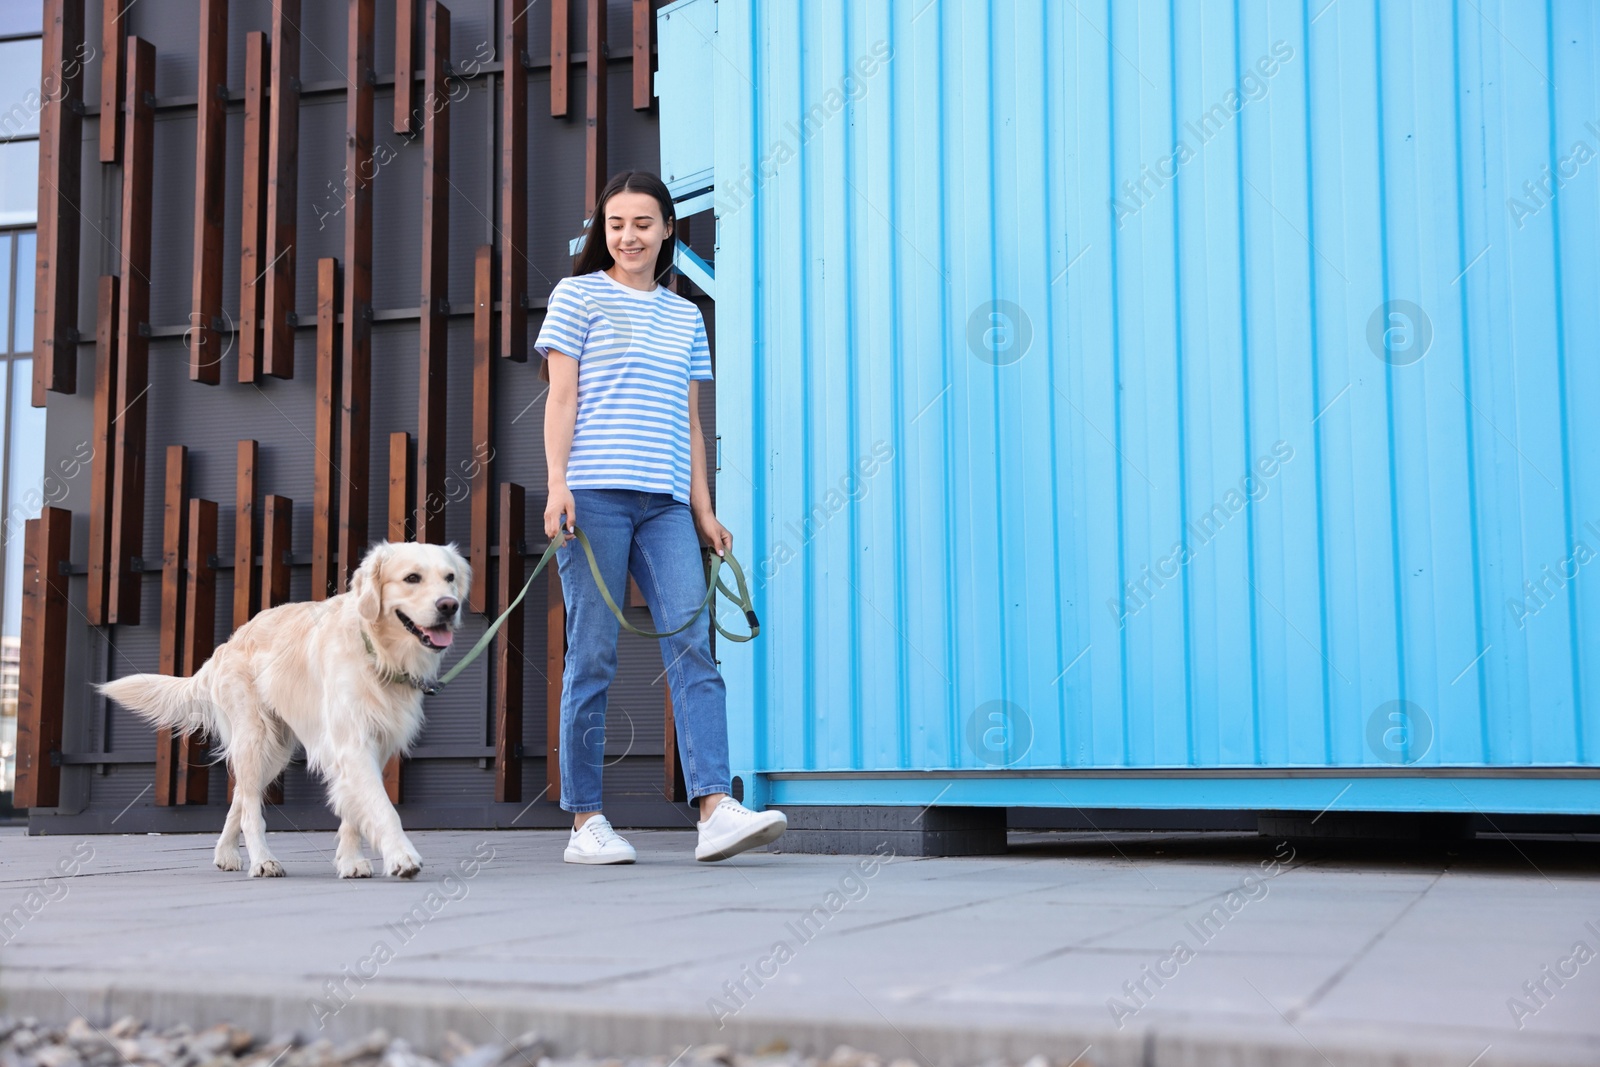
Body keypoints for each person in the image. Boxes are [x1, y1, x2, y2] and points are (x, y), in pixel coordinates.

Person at [535, 170, 787, 865]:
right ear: (601, 230)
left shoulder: (684, 315)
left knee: (694, 645)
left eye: (643, 223)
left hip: (667, 503)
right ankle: (586, 820)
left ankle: (714, 807)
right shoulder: (578, 296)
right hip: (593, 497)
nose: (628, 236)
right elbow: (561, 398)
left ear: (667, 229)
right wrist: (557, 485)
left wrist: (704, 507)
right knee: (592, 656)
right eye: (616, 224)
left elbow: (691, 421)